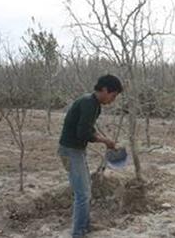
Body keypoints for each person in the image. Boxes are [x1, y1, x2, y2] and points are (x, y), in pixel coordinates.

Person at [58, 75, 123, 238]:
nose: (113, 100)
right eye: (113, 96)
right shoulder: (89, 103)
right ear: (105, 90)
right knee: (82, 194)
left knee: (85, 190)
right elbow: (82, 133)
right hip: (71, 151)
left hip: (76, 151)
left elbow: (88, 127)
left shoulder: (94, 105)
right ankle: (78, 233)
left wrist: (104, 139)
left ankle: (85, 226)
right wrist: (104, 141)